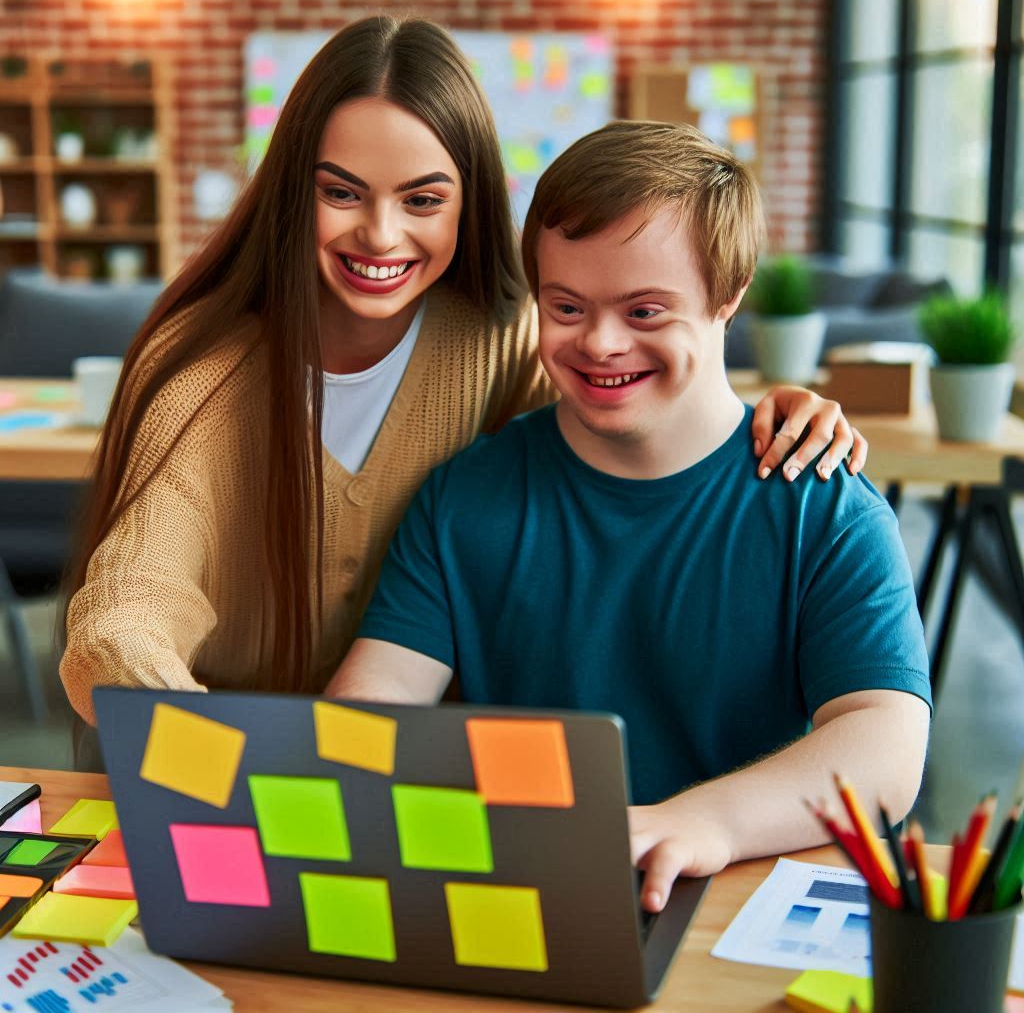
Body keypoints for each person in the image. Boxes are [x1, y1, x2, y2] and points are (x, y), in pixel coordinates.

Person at [61, 16, 864, 755]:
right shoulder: (207, 372)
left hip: (410, 777)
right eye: (340, 191)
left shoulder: (508, 339)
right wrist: (226, 764)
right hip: (203, 764)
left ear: (468, 201)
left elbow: (624, 424)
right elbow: (125, 614)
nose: (380, 233)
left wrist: (765, 409)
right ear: (289, 192)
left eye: (423, 199)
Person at [326, 120, 931, 913]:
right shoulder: (464, 499)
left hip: (733, 902)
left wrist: (702, 821)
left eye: (645, 312)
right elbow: (369, 710)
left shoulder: (825, 509)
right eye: (566, 306)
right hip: (528, 900)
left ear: (729, 293)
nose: (601, 343)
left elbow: (885, 747)